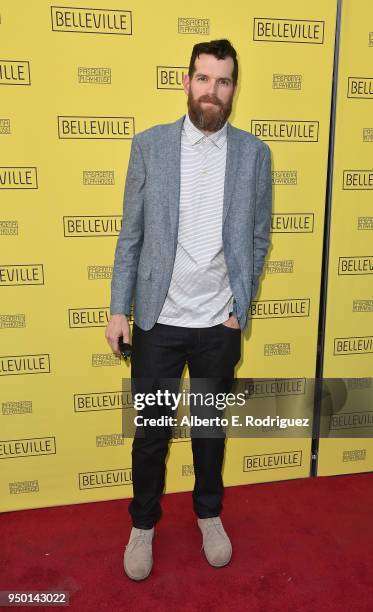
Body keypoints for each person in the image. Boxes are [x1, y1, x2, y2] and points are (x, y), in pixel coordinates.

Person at [105, 39, 272, 581]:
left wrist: (238, 307)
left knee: (209, 430)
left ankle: (208, 514)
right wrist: (118, 310)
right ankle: (143, 525)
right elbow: (130, 236)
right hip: (157, 321)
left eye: (223, 82)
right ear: (187, 82)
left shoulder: (254, 154)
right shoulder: (150, 146)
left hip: (218, 325)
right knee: (152, 431)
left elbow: (258, 236)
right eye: (203, 79)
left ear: (233, 90)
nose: (212, 91)